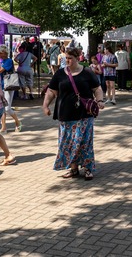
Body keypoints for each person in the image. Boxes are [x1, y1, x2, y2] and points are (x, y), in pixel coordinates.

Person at [42, 47, 104, 181]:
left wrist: (99, 100)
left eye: (70, 58)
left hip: (84, 114)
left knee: (85, 142)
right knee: (69, 142)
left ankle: (88, 169)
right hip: (65, 114)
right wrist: (45, 105)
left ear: (77, 58)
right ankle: (73, 168)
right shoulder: (59, 74)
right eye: (66, 58)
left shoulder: (87, 72)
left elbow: (97, 88)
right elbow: (51, 91)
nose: (67, 60)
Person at [0, 45, 22, 133]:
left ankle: (18, 122)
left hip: (8, 86)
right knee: (2, 108)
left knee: (7, 108)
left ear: (5, 53)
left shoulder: (8, 61)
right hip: (1, 85)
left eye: (1, 53)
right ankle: (4, 127)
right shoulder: (1, 61)